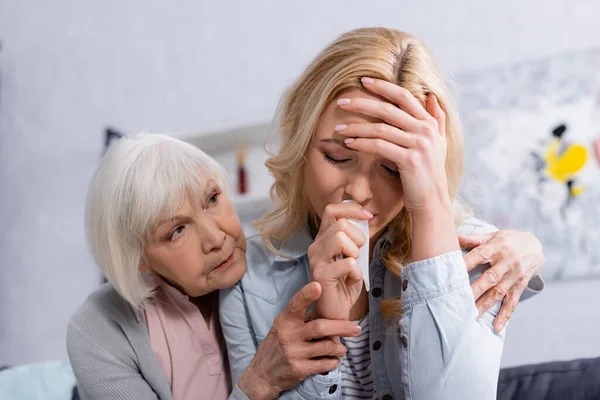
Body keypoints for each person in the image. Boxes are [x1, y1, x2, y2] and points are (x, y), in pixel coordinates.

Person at [220, 27, 545, 399]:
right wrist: (327, 326)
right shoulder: (248, 277)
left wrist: (431, 205)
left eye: (393, 169)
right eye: (337, 157)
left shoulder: (481, 258)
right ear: (300, 141)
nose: (358, 191)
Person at [66, 134, 363, 400]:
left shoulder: (290, 265)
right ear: (137, 257)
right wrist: (258, 383)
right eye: (177, 230)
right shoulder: (99, 328)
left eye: (212, 198)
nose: (217, 238)